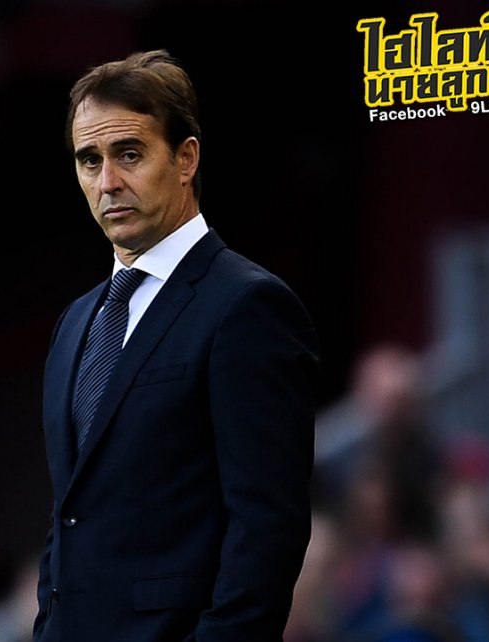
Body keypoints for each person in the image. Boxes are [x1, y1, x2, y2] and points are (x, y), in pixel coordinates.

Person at [32, 49, 321, 641]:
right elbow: (71, 514)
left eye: (129, 154)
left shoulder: (248, 306)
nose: (108, 183)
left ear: (186, 158)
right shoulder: (76, 321)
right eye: (90, 160)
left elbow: (268, 526)